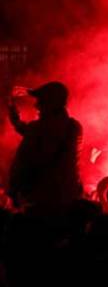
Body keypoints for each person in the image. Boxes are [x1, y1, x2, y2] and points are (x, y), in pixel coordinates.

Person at [6, 82, 83, 210]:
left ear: (50, 103)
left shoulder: (39, 128)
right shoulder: (73, 127)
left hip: (41, 201)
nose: (36, 106)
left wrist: (16, 190)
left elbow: (29, 162)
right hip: (67, 197)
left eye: (41, 101)